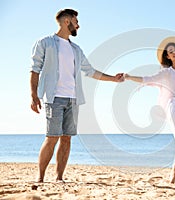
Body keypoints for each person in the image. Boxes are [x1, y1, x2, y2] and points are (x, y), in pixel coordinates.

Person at [30, 8, 124, 183]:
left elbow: (91, 71)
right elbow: (35, 69)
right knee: (52, 137)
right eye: (76, 22)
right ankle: (40, 177)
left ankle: (59, 178)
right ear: (67, 22)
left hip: (73, 99)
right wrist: (34, 96)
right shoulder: (45, 43)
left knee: (66, 139)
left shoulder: (76, 49)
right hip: (53, 98)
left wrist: (113, 79)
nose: (78, 25)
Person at [125, 36, 175, 184]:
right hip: (174, 105)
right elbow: (147, 79)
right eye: (170, 51)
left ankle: (173, 174)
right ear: (167, 56)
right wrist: (129, 77)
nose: (174, 52)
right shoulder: (167, 72)